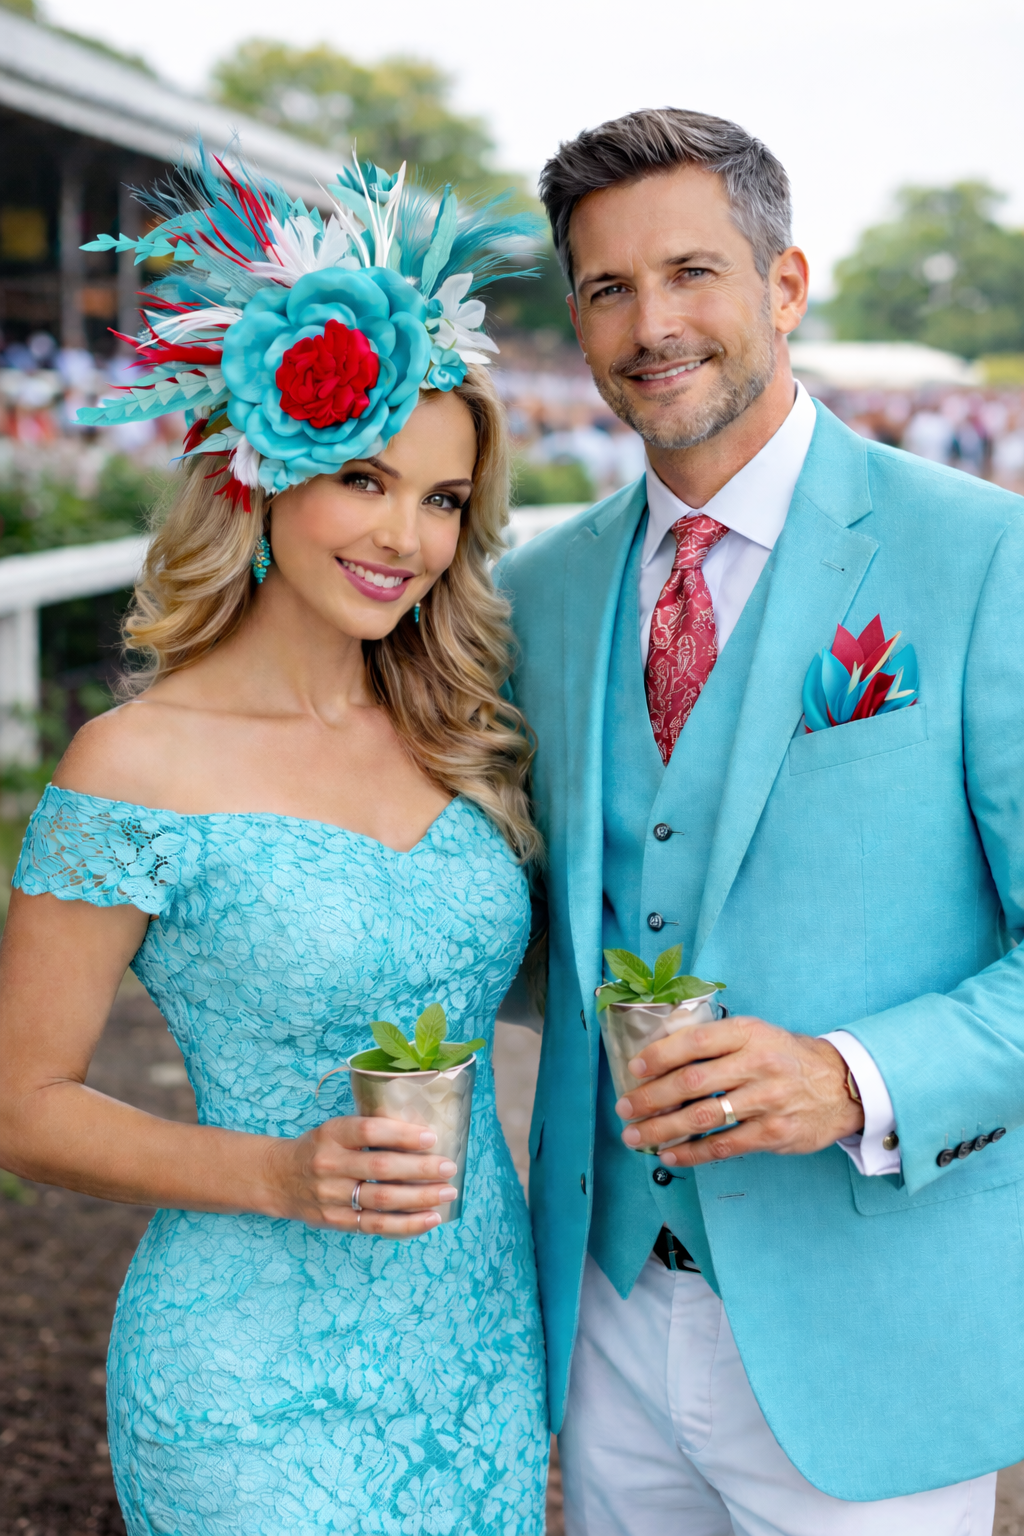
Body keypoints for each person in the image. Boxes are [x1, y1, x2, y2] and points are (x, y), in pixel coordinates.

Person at [0, 149, 549, 1534]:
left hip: (479, 1346)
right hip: (246, 1383)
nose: (407, 537)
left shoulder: (459, 730)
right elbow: (19, 1102)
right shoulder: (133, 764)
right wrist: (274, 1171)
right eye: (365, 478)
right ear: (257, 480)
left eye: (442, 499)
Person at [498, 108, 1024, 1535]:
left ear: (785, 285)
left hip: (877, 1332)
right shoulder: (536, 595)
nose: (651, 325)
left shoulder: (982, 555)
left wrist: (852, 1078)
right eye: (607, 288)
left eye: (692, 273)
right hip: (606, 1317)